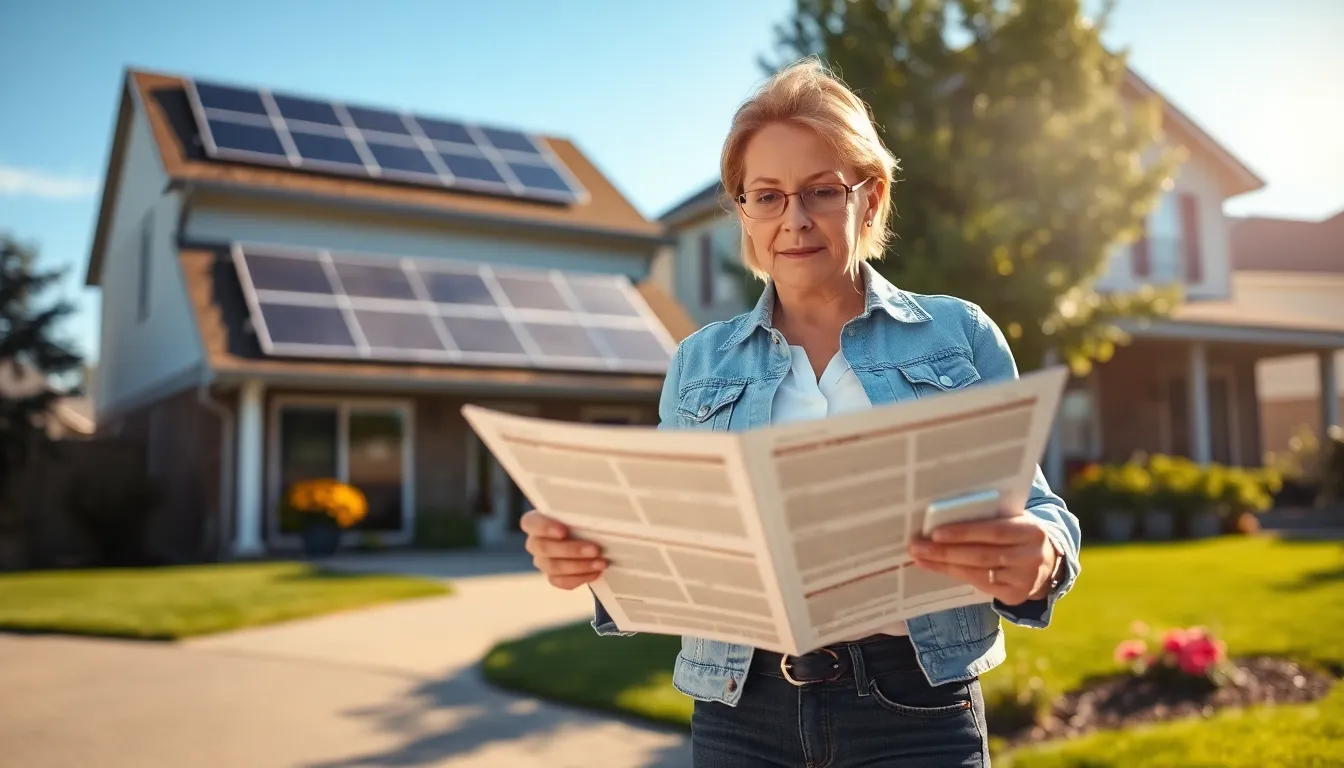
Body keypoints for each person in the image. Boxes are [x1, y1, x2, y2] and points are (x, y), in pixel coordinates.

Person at [520, 57, 1082, 767]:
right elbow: (673, 537)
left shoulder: (959, 335)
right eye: (768, 196)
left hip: (915, 708)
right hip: (741, 712)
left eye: (821, 191)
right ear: (744, 213)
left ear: (870, 199)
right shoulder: (700, 362)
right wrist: (592, 560)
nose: (795, 219)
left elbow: (1035, 506)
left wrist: (1044, 554)